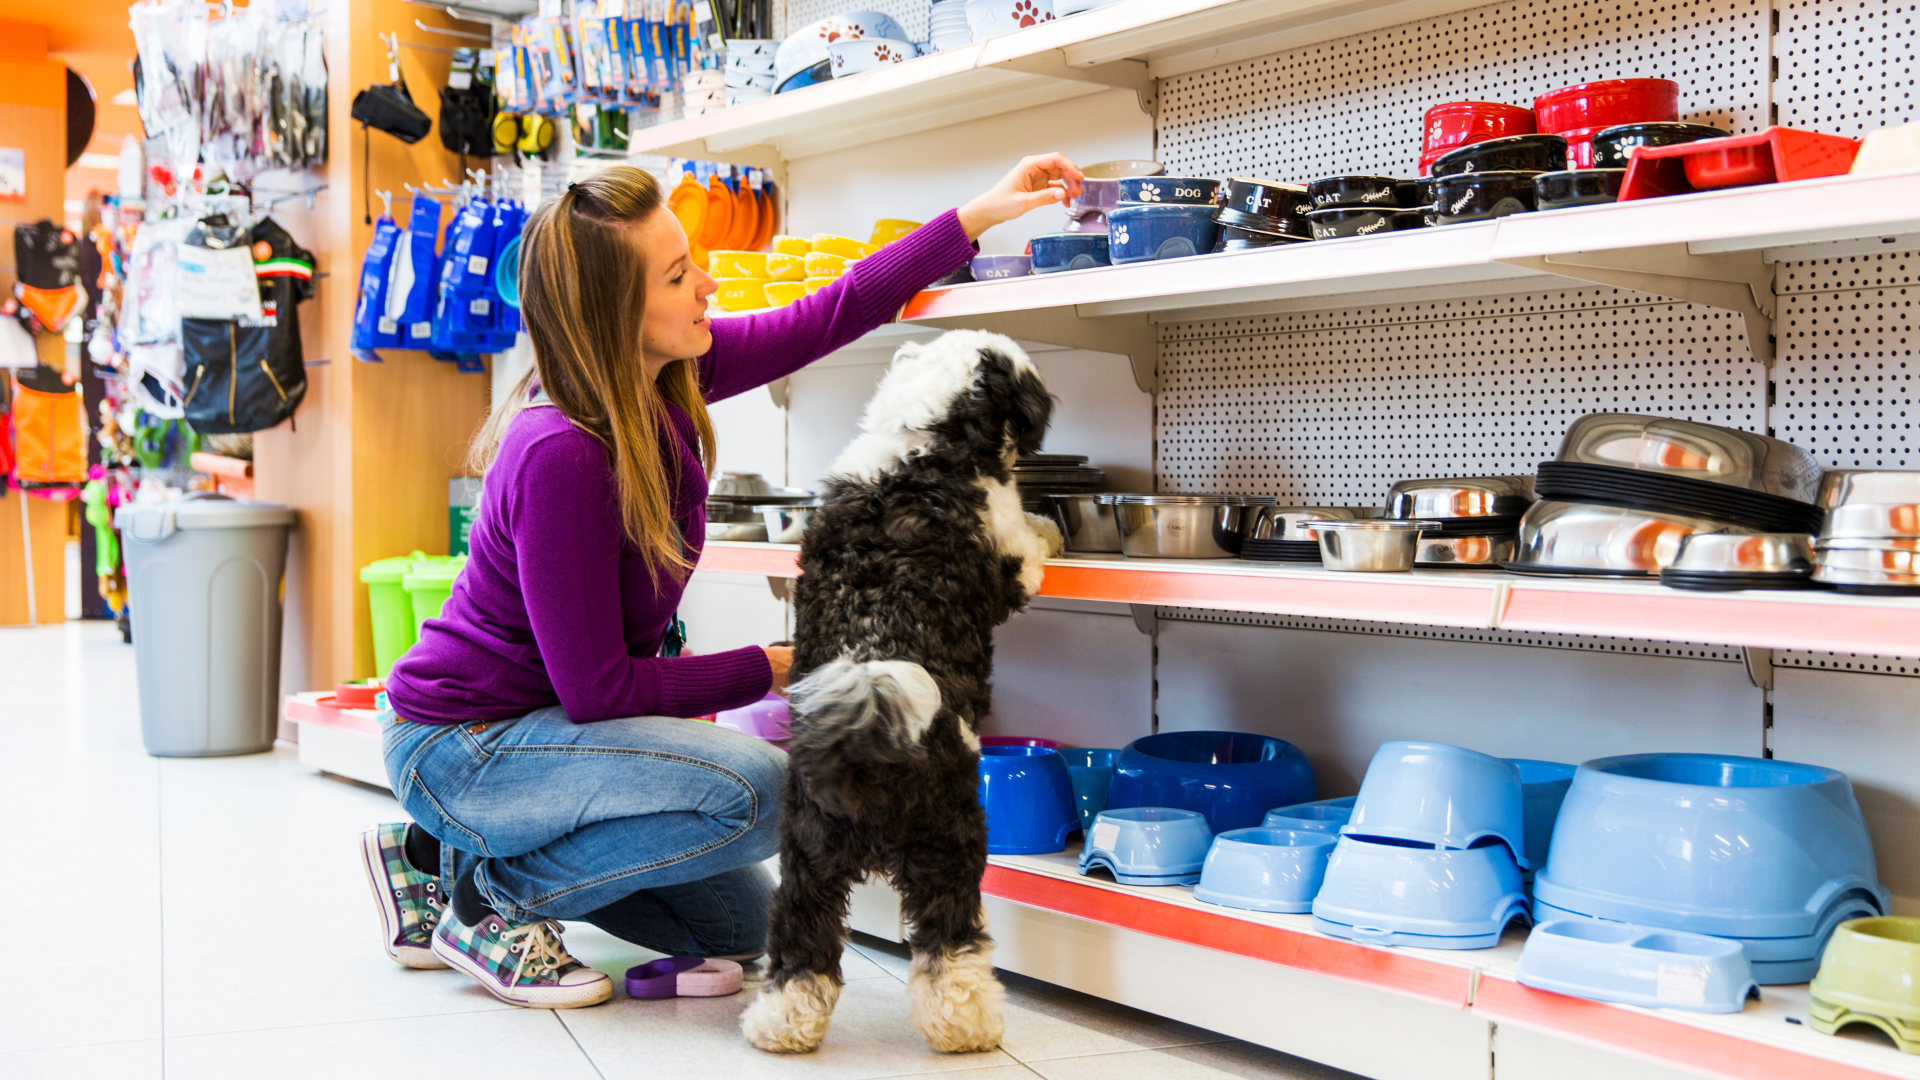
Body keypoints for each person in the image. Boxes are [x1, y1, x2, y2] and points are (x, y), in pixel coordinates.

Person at [360, 155, 1085, 1009]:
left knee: (743, 933)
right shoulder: (561, 451)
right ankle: (492, 904)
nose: (707, 284)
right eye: (678, 274)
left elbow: (833, 311)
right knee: (759, 787)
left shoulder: (667, 376)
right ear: (615, 311)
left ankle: (428, 856)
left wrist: (978, 213)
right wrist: (778, 666)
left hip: (546, 729)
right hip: (467, 740)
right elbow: (600, 692)